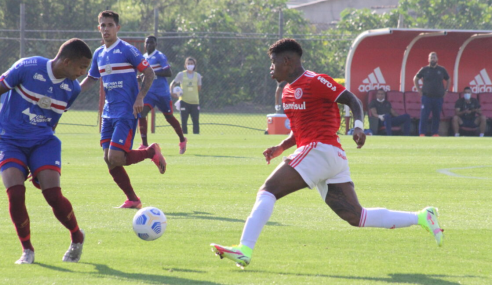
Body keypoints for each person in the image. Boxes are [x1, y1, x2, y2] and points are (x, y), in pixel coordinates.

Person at [210, 38, 443, 269]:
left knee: (268, 190)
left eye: (274, 61)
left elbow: (352, 100)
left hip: (320, 149)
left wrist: (359, 126)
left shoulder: (316, 81)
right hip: (327, 156)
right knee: (357, 217)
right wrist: (281, 147)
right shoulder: (287, 92)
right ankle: (422, 216)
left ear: (288, 61)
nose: (270, 67)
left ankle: (245, 248)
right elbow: (300, 132)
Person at [0, 38, 92, 264]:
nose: (83, 72)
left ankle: (77, 237)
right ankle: (27, 250)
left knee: (52, 195)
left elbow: (53, 119)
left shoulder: (72, 89)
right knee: (16, 193)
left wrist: (39, 163)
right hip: (9, 140)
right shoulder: (27, 66)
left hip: (43, 142)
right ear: (67, 61)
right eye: (82, 67)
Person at [80, 10, 166, 209]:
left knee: (116, 157)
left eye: (110, 25)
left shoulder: (127, 50)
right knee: (108, 159)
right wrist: (71, 93)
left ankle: (150, 151)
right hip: (108, 112)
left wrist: (140, 97)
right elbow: (92, 79)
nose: (106, 29)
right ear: (98, 28)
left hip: (127, 111)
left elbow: (150, 73)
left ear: (117, 28)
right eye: (103, 25)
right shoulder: (99, 54)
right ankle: (133, 199)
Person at [138, 36, 187, 154]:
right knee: (141, 113)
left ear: (156, 44)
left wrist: (151, 72)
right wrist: (141, 78)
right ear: (145, 44)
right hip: (149, 92)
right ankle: (144, 145)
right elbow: (146, 74)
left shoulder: (160, 56)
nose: (149, 44)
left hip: (162, 93)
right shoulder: (143, 57)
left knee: (169, 117)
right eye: (147, 42)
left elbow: (168, 72)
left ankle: (182, 139)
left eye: (151, 43)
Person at [413, 52, 450, 137]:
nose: (433, 59)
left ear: (437, 59)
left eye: (434, 57)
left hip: (438, 97)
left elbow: (448, 79)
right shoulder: (424, 69)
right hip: (427, 97)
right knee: (424, 116)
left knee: (436, 116)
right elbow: (416, 78)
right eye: (431, 58)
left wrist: (446, 90)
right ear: (428, 59)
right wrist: (419, 90)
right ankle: (422, 133)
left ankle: (435, 133)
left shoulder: (442, 69)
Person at [170, 57, 202, 134]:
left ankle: (196, 138)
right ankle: (184, 139)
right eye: (188, 64)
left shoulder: (198, 76)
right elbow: (173, 83)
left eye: (192, 64)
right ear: (185, 65)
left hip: (195, 102)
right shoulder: (181, 74)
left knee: (196, 122)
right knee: (184, 122)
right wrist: (172, 92)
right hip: (184, 101)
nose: (190, 65)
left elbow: (199, 88)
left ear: (194, 65)